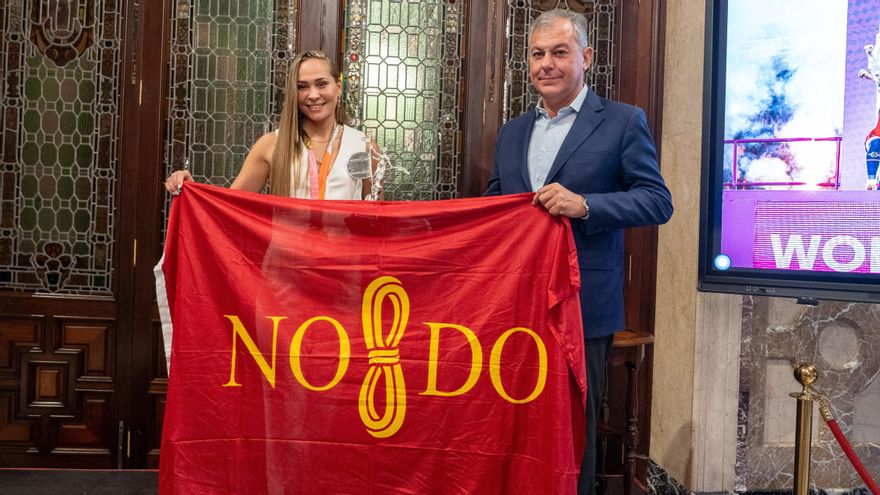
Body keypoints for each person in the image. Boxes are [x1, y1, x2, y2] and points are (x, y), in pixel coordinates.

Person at [484, 9, 673, 495]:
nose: (547, 64)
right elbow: (491, 209)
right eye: (538, 54)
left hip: (583, 309)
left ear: (586, 57)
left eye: (560, 53)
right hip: (516, 309)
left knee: (573, 433)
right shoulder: (511, 132)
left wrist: (585, 205)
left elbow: (657, 201)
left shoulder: (623, 122)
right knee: (516, 424)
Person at [165, 50, 378, 200]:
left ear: (338, 87)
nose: (313, 95)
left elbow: (376, 218)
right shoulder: (272, 144)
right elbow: (229, 206)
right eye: (302, 87)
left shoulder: (363, 147)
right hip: (285, 262)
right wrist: (192, 191)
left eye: (322, 84)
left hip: (342, 262)